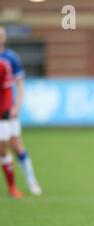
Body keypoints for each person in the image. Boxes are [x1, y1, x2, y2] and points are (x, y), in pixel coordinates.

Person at [0, 26, 42, 196]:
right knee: (3, 149)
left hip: (7, 110)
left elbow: (19, 84)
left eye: (1, 34)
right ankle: (12, 187)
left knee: (16, 146)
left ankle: (31, 181)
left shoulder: (10, 58)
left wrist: (17, 106)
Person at [0, 57, 22, 198]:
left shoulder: (3, 66)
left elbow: (7, 91)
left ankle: (12, 187)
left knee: (3, 151)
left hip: (1, 115)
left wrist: (7, 109)